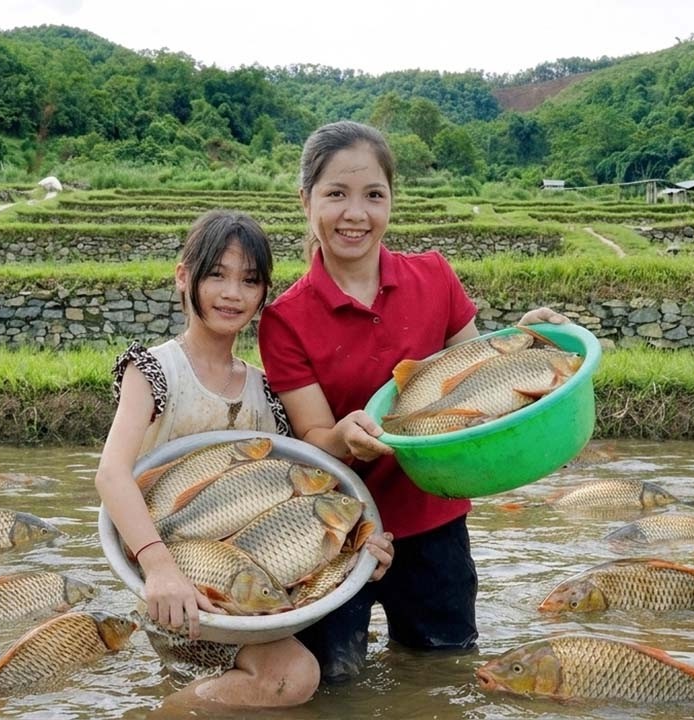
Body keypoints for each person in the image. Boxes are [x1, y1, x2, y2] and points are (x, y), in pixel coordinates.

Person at [257, 120, 567, 683]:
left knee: (444, 677)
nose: (356, 213)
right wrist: (344, 438)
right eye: (336, 194)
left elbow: (481, 383)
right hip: (338, 536)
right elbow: (314, 439)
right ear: (306, 201)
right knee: (335, 685)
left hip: (434, 523)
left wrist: (524, 342)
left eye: (374, 195)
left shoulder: (434, 276)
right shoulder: (286, 319)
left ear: (391, 201)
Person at [94, 210, 320, 708]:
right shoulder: (154, 369)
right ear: (183, 275)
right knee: (293, 677)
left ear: (264, 293)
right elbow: (111, 473)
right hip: (173, 583)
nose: (232, 293)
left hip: (246, 579)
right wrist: (159, 568)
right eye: (216, 274)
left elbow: (297, 490)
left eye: (249, 280)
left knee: (294, 676)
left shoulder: (267, 390)